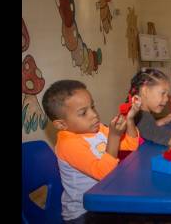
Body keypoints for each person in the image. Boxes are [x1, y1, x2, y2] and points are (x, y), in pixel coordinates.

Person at [41, 80, 141, 223]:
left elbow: (131, 146)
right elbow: (105, 174)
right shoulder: (68, 144)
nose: (94, 114)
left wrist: (130, 120)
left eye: (92, 107)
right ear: (62, 124)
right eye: (83, 113)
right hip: (83, 213)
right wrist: (114, 137)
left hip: (104, 200)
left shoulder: (98, 129)